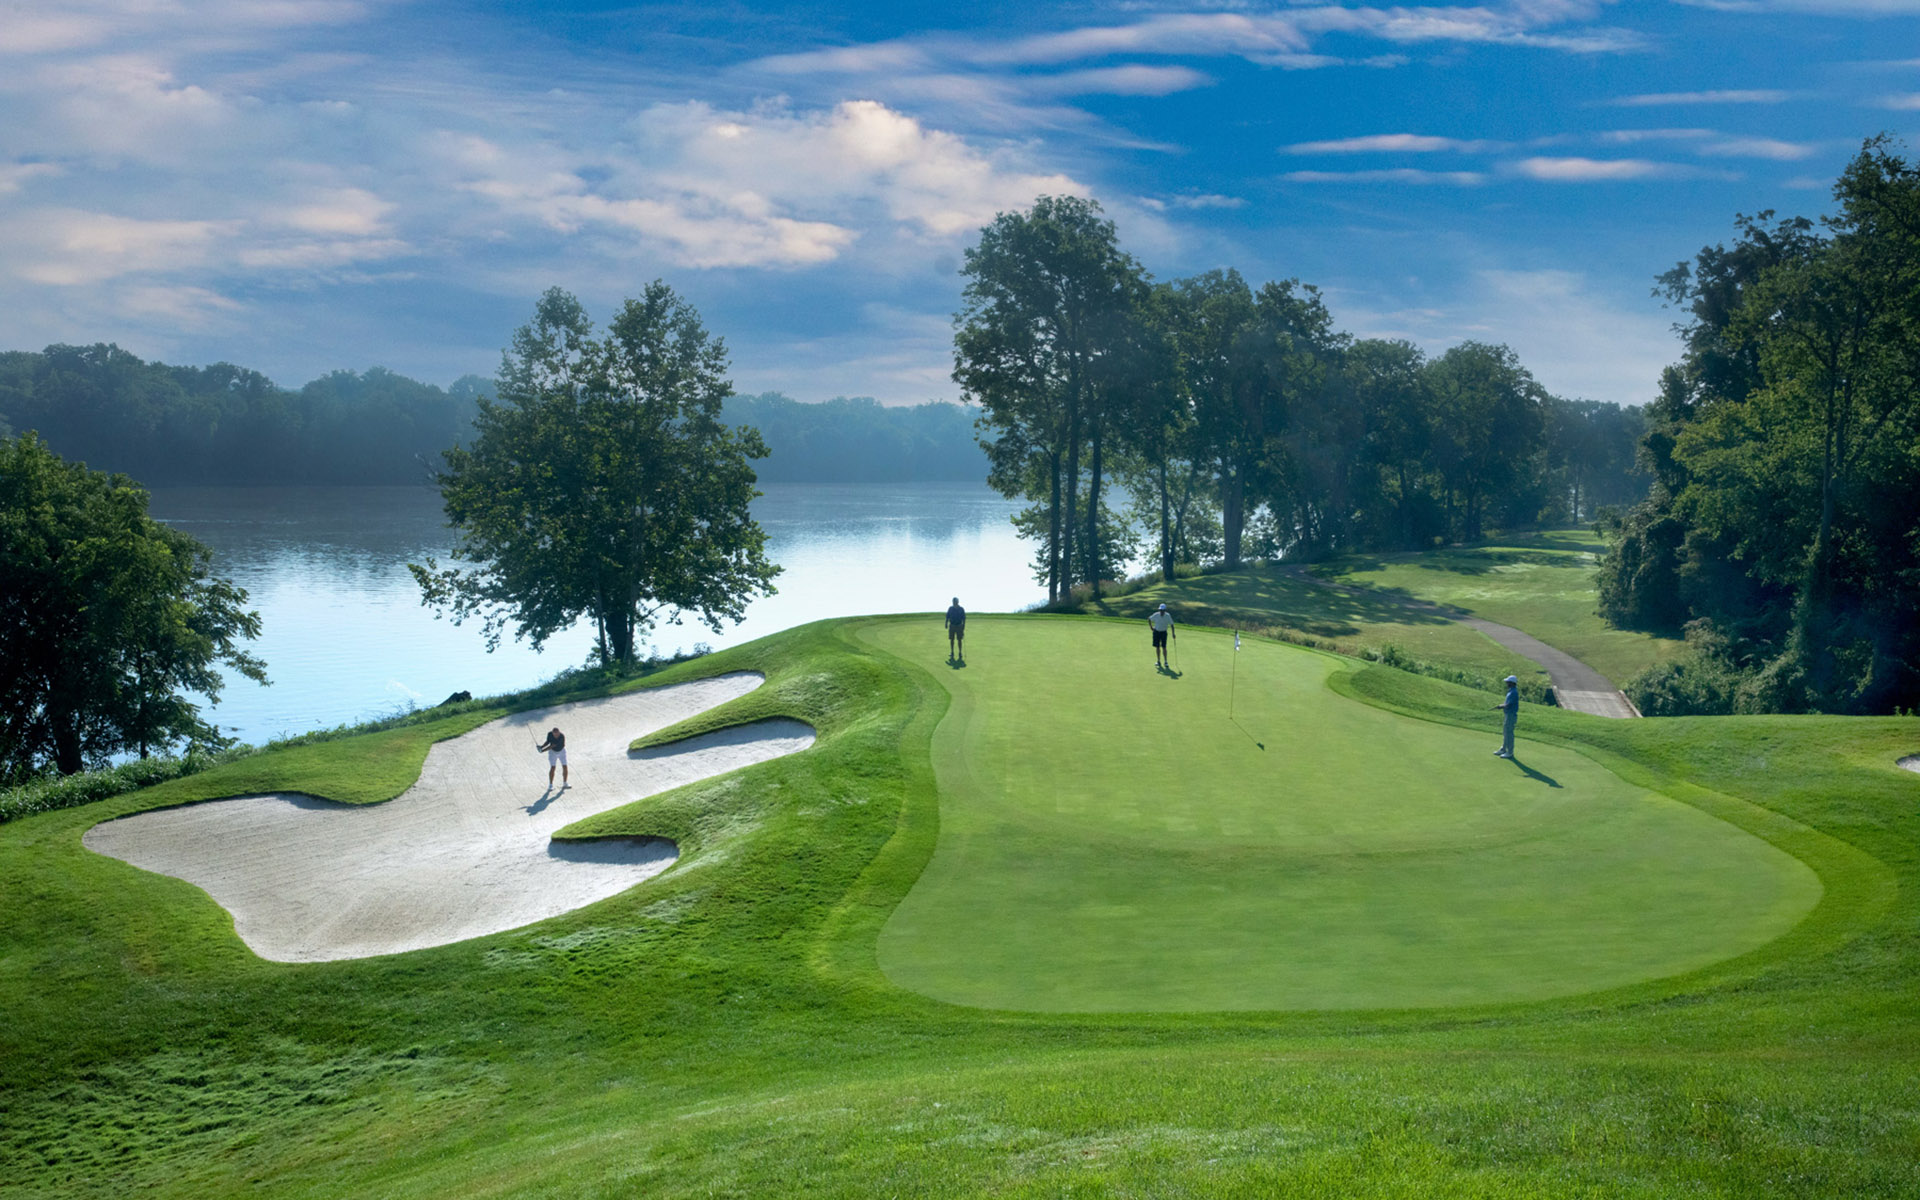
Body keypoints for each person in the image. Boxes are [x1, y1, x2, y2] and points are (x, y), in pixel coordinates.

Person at [1493, 675, 1519, 757]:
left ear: (1512, 683)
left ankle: (1510, 752)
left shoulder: (1514, 692)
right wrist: (1502, 706)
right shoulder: (1510, 691)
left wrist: (1500, 706)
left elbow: (1508, 704)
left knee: (1509, 733)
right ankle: (1503, 749)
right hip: (1508, 714)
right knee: (1505, 732)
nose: (1506, 683)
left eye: (1508, 682)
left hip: (1511, 715)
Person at [1148, 602, 1176, 669]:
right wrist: (1151, 627)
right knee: (1157, 647)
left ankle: (1165, 661)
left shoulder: (1168, 616)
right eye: (1160, 610)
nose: (1161, 611)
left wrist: (1173, 633)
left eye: (1162, 610)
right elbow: (1149, 619)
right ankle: (1158, 661)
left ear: (1165, 610)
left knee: (1164, 647)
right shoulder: (1156, 615)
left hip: (1163, 633)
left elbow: (1172, 625)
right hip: (1156, 632)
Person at [945, 597, 966, 661]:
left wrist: (963, 625)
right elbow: (947, 616)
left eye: (955, 601)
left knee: (959, 640)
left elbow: (964, 618)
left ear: (958, 602)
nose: (954, 603)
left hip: (959, 625)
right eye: (953, 601)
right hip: (952, 625)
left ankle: (960, 653)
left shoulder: (961, 609)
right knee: (952, 639)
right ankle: (952, 652)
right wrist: (946, 623)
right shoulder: (950, 608)